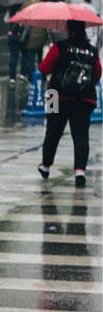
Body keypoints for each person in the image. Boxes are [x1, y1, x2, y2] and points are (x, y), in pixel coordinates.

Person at [36, 20, 100, 189]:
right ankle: (80, 171)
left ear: (68, 29)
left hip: (54, 96)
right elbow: (97, 74)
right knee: (81, 135)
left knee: (52, 132)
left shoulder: (59, 47)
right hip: (84, 99)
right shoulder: (92, 51)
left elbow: (43, 69)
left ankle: (45, 166)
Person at [5, 4, 35, 83]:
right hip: (21, 36)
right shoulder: (24, 11)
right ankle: (23, 73)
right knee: (24, 54)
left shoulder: (10, 10)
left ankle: (12, 77)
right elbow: (27, 24)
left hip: (12, 36)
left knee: (13, 56)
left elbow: (6, 20)